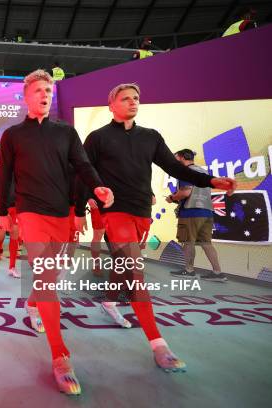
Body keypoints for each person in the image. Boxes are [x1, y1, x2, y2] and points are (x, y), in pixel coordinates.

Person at [82, 83, 237, 373]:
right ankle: (158, 344)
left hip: (142, 211)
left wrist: (211, 180)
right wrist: (83, 204)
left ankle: (110, 301)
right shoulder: (97, 138)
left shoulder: (150, 137)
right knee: (135, 271)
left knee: (123, 265)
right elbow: (82, 171)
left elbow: (175, 168)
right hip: (114, 211)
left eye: (136, 98)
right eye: (125, 98)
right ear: (111, 104)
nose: (132, 102)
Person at [0, 69, 114, 395]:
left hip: (62, 215)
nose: (45, 95)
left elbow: (83, 166)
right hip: (30, 212)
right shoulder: (12, 135)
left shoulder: (66, 132)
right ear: (26, 96)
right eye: (38, 90)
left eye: (48, 90)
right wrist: (4, 211)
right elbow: (4, 176)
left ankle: (32, 303)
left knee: (54, 273)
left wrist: (98, 187)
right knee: (47, 278)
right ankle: (61, 356)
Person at [167, 149, 227, 282]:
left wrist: (172, 197)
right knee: (206, 243)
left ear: (182, 157)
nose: (173, 160)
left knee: (188, 242)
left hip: (190, 211)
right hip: (206, 211)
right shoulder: (204, 171)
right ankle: (218, 273)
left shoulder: (184, 171)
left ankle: (189, 271)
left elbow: (186, 192)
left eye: (175, 157)